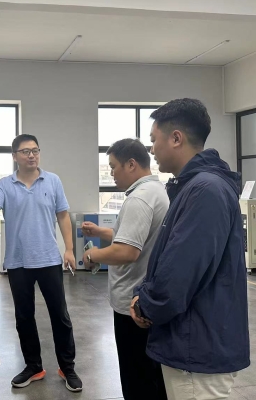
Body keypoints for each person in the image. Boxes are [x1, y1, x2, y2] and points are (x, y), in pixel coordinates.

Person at [131, 98, 250, 400]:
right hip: (192, 340)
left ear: (176, 138)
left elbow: (180, 271)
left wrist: (147, 305)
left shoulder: (206, 190)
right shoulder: (194, 186)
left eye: (154, 140)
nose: (152, 149)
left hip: (196, 347)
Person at [0, 133, 82, 393]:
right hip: (18, 262)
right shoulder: (5, 184)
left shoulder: (53, 180)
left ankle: (67, 367)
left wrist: (69, 249)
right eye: (25, 151)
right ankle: (34, 366)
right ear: (15, 156)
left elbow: (63, 216)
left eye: (35, 150)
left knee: (60, 315)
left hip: (49, 259)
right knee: (24, 317)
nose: (32, 155)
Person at [80, 138, 168, 400]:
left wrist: (92, 255)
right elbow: (133, 236)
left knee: (136, 378)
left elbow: (127, 251)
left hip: (132, 304)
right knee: (150, 374)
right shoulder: (156, 191)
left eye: (113, 166)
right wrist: (100, 232)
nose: (111, 173)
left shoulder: (139, 199)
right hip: (146, 299)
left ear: (131, 164)